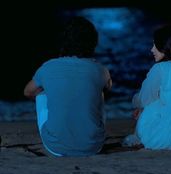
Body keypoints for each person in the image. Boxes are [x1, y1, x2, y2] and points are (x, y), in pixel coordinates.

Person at [24, 16, 112, 157]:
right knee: (99, 93)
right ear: (92, 42)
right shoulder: (100, 69)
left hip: (55, 147)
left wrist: (56, 96)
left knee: (41, 93)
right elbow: (108, 88)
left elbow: (28, 92)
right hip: (94, 146)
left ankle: (58, 125)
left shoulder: (48, 67)